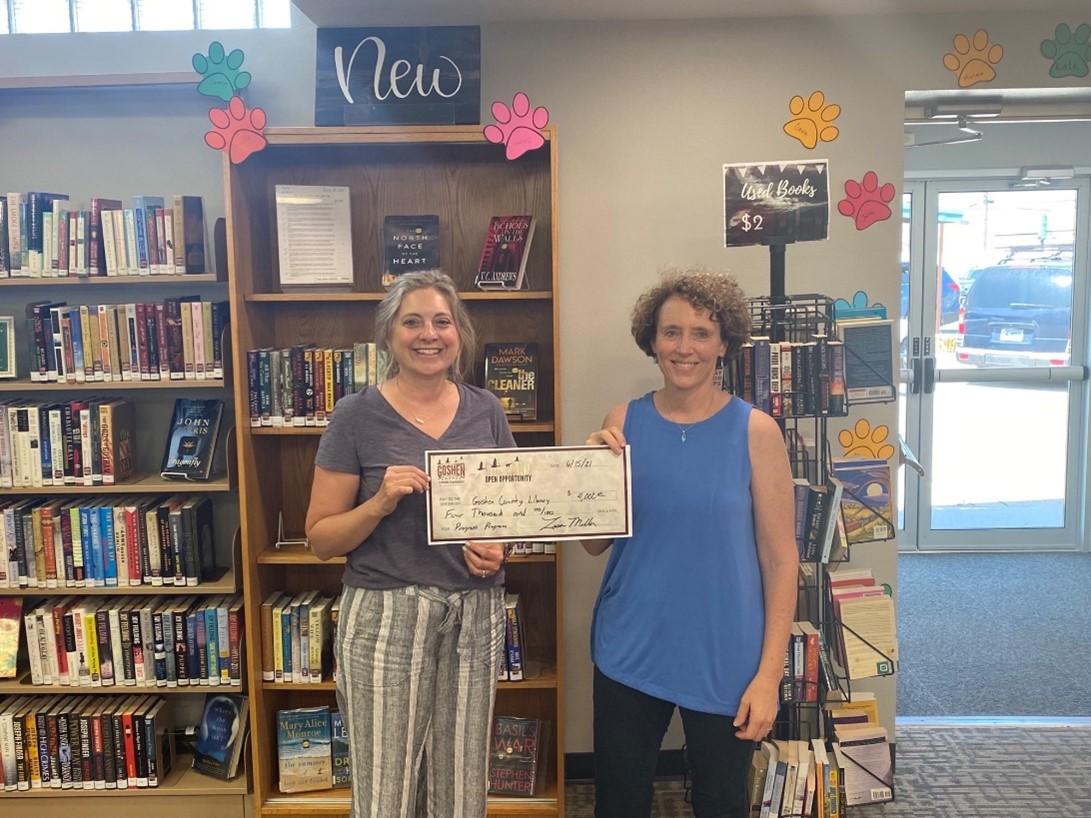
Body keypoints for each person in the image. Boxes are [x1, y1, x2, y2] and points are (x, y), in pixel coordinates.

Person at [583, 267, 799, 818]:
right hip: (631, 647)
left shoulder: (756, 432)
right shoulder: (621, 421)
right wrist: (587, 477)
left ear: (724, 342)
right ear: (651, 341)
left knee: (722, 804)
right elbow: (594, 545)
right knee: (619, 803)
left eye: (701, 333)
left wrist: (769, 676)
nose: (685, 348)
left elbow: (780, 559)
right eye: (671, 332)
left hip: (724, 655)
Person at [305, 270, 512, 818]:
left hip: (475, 614)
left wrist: (498, 551)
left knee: (462, 788)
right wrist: (379, 503)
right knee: (385, 792)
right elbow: (321, 539)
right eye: (412, 322)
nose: (429, 335)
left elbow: (510, 512)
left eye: (442, 322)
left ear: (459, 333)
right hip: (386, 617)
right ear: (389, 336)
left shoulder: (486, 409)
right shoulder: (355, 415)